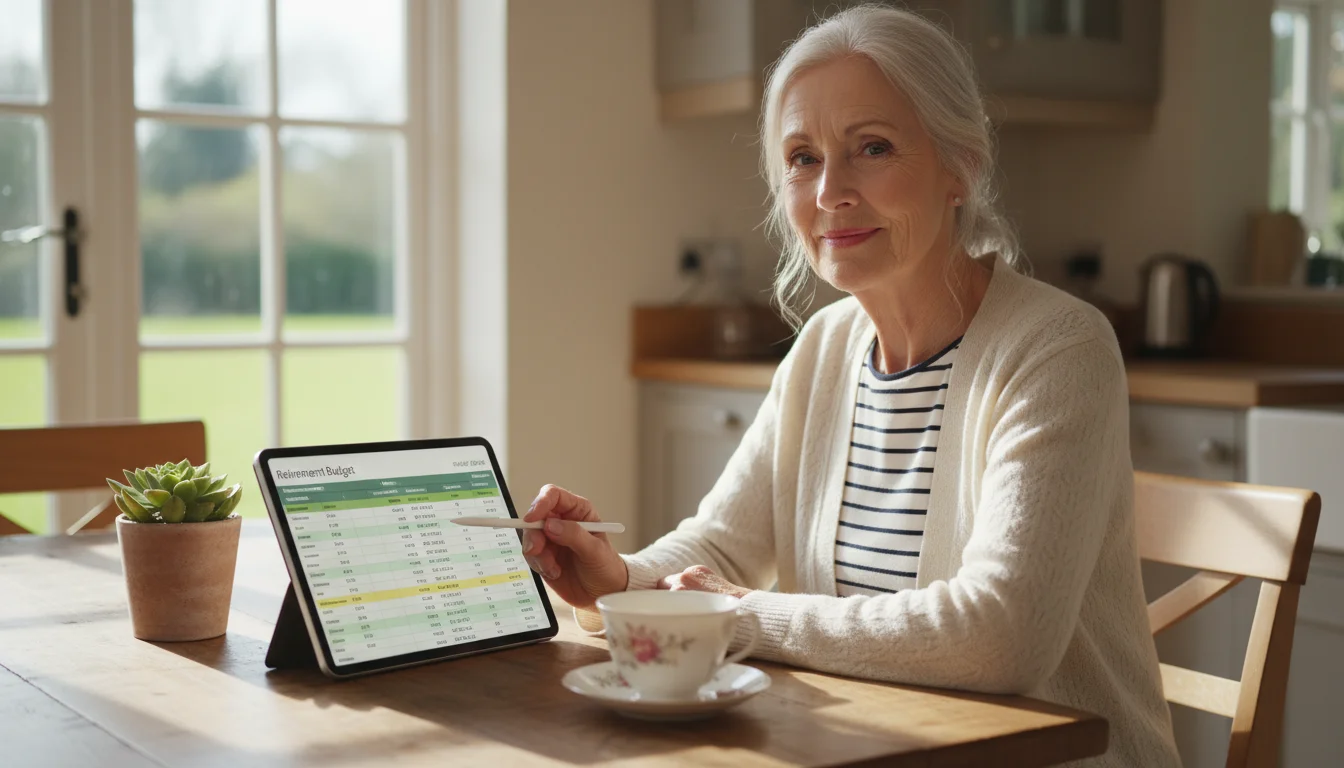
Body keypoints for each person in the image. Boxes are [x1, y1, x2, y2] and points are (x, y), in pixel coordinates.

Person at [521, 5, 1179, 765]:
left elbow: (1005, 636)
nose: (831, 190)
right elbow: (724, 548)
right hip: (871, 747)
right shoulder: (825, 350)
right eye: (803, 157)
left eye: (873, 147)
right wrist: (618, 583)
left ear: (959, 166)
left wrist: (742, 619)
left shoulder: (1059, 349)